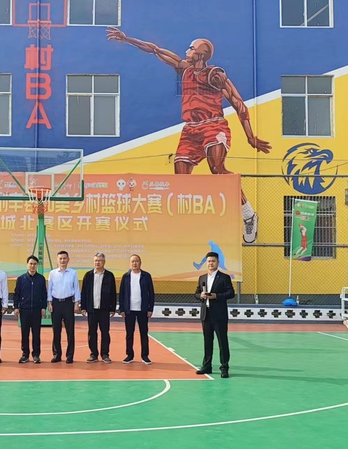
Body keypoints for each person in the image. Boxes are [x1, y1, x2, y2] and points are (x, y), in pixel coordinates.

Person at [106, 27, 271, 244]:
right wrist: (127, 39)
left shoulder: (215, 75)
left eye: (191, 48)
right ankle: (193, 225)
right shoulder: (184, 70)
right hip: (190, 130)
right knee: (181, 175)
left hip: (213, 127)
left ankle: (248, 215)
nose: (187, 51)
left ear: (201, 55)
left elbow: (238, 103)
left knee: (217, 169)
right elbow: (155, 50)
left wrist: (250, 137)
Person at [194, 251, 235, 378]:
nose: (211, 263)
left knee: (222, 341)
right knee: (207, 341)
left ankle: (224, 367)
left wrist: (216, 296)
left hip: (219, 315)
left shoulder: (224, 277)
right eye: (209, 261)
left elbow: (231, 293)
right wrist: (200, 296)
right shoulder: (202, 278)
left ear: (218, 262)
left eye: (213, 261)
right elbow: (196, 293)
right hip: (206, 314)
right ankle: (207, 366)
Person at [118, 254, 156, 364]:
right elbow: (122, 294)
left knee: (144, 333)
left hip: (143, 310)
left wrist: (150, 309)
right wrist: (122, 309)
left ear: (140, 263)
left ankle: (145, 356)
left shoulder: (146, 276)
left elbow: (151, 293)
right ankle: (129, 355)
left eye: (136, 261)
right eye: (132, 261)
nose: (134, 263)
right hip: (129, 310)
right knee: (129, 334)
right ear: (130, 263)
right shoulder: (126, 276)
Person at [81, 252, 117, 364]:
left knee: (105, 332)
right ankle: (93, 354)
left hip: (104, 309)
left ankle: (105, 354)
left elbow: (113, 293)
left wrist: (113, 308)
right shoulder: (88, 275)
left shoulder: (109, 275)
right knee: (92, 332)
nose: (97, 262)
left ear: (104, 262)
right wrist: (83, 307)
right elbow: (84, 292)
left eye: (100, 260)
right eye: (96, 260)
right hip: (91, 309)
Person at [13, 256, 48, 364]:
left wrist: (43, 307)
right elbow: (17, 294)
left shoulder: (41, 279)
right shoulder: (21, 279)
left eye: (34, 264)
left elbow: (44, 294)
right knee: (25, 334)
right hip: (24, 310)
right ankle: (25, 355)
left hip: (37, 310)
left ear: (37, 265)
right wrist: (16, 307)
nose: (32, 266)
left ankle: (36, 355)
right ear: (27, 265)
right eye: (30, 264)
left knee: (36, 334)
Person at [48, 250, 81, 364]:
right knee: (56, 330)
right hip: (56, 303)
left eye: (64, 258)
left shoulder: (73, 273)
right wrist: (49, 303)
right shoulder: (52, 273)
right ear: (57, 260)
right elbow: (49, 289)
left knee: (70, 331)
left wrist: (77, 303)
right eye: (60, 259)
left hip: (68, 303)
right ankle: (57, 354)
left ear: (68, 260)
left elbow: (76, 288)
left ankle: (70, 355)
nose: (62, 260)